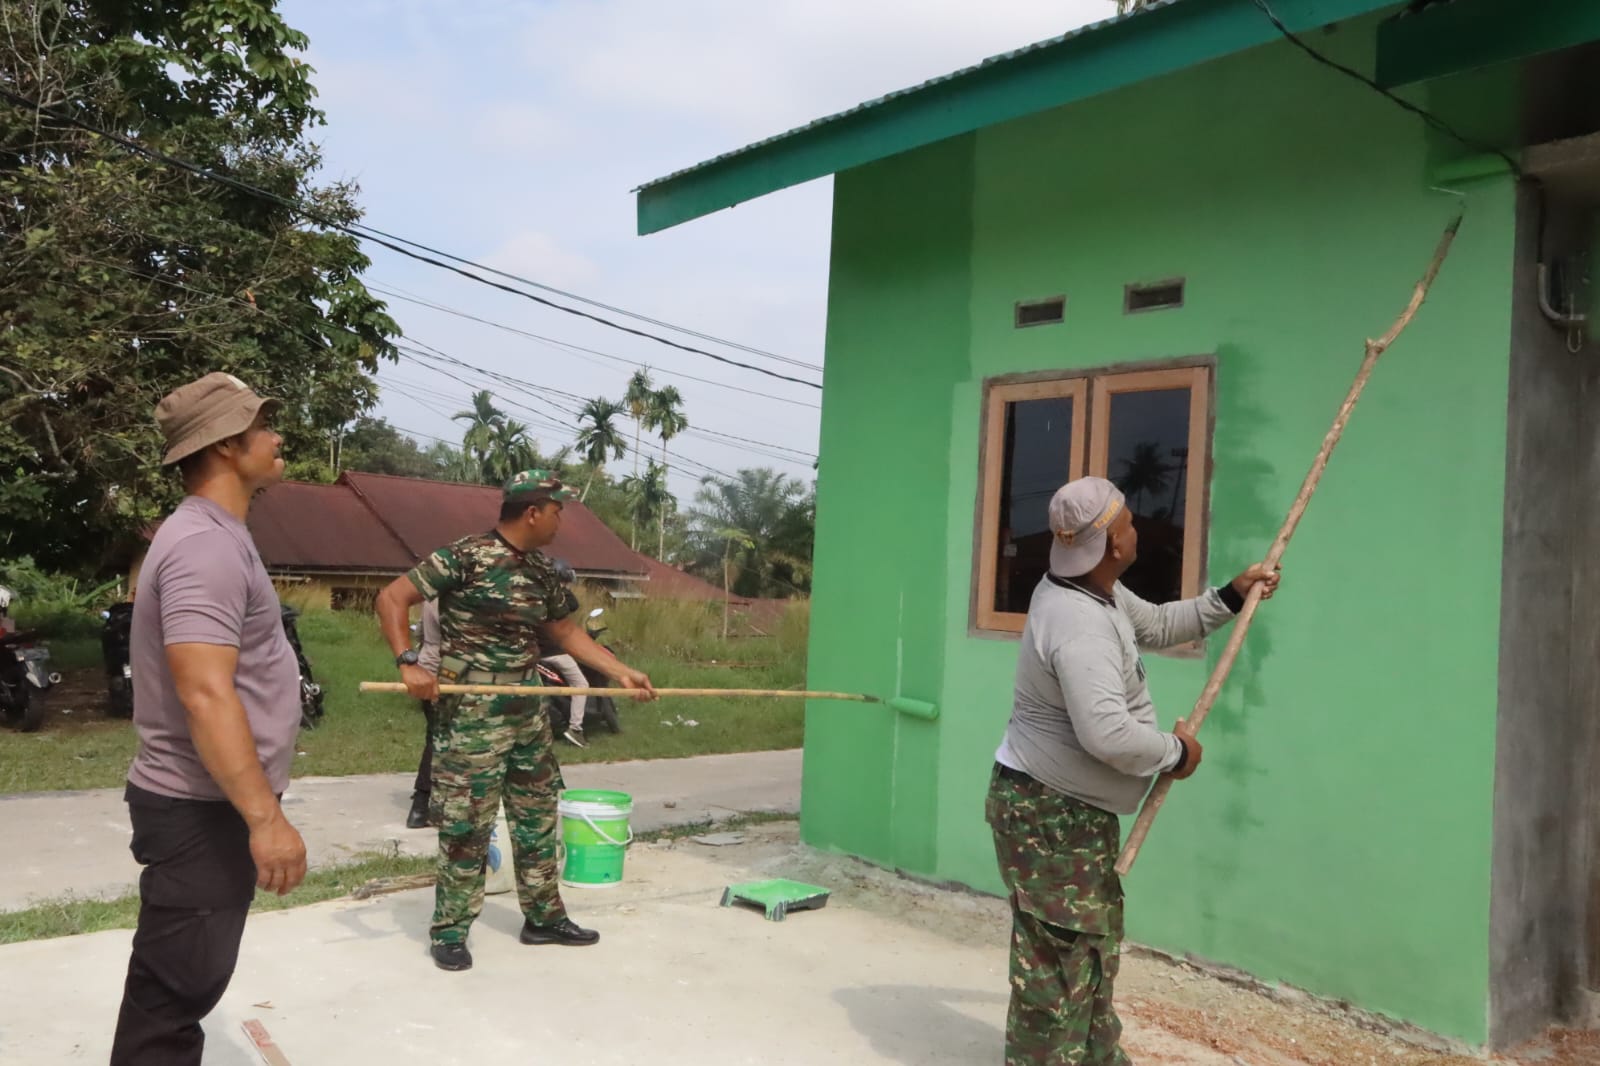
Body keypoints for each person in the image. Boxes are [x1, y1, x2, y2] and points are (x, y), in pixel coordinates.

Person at [986, 475, 1279, 1065]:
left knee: (1089, 950)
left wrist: (1230, 595)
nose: (1136, 528)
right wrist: (1177, 753)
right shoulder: (1078, 623)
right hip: (1049, 816)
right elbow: (1107, 735)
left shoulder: (1100, 592)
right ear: (1113, 543)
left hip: (1067, 813)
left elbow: (1159, 625)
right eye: (1128, 521)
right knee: (1059, 967)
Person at [374, 468, 657, 972]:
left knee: (536, 816)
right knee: (467, 823)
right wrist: (407, 661)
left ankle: (543, 918)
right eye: (556, 511)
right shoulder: (464, 556)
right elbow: (392, 598)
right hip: (473, 709)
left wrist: (621, 672)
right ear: (532, 512)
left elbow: (566, 632)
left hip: (526, 706)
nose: (560, 521)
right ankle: (450, 930)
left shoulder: (543, 570)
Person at [111, 372, 308, 1066]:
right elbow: (204, 693)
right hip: (201, 809)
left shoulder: (218, 534)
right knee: (174, 995)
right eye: (263, 425)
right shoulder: (206, 546)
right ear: (225, 444)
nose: (277, 438)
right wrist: (265, 820)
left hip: (208, 802)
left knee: (178, 989)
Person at [542, 559, 590, 747]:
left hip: (532, 651)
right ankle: (575, 728)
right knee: (581, 684)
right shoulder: (560, 598)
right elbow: (573, 604)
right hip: (553, 651)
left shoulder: (535, 594)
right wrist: (561, 588)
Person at [405, 598, 442, 829]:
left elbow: (419, 632)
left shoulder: (430, 597)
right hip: (442, 672)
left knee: (435, 736)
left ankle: (425, 803)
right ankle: (421, 804)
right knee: (439, 739)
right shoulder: (451, 595)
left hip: (427, 666)